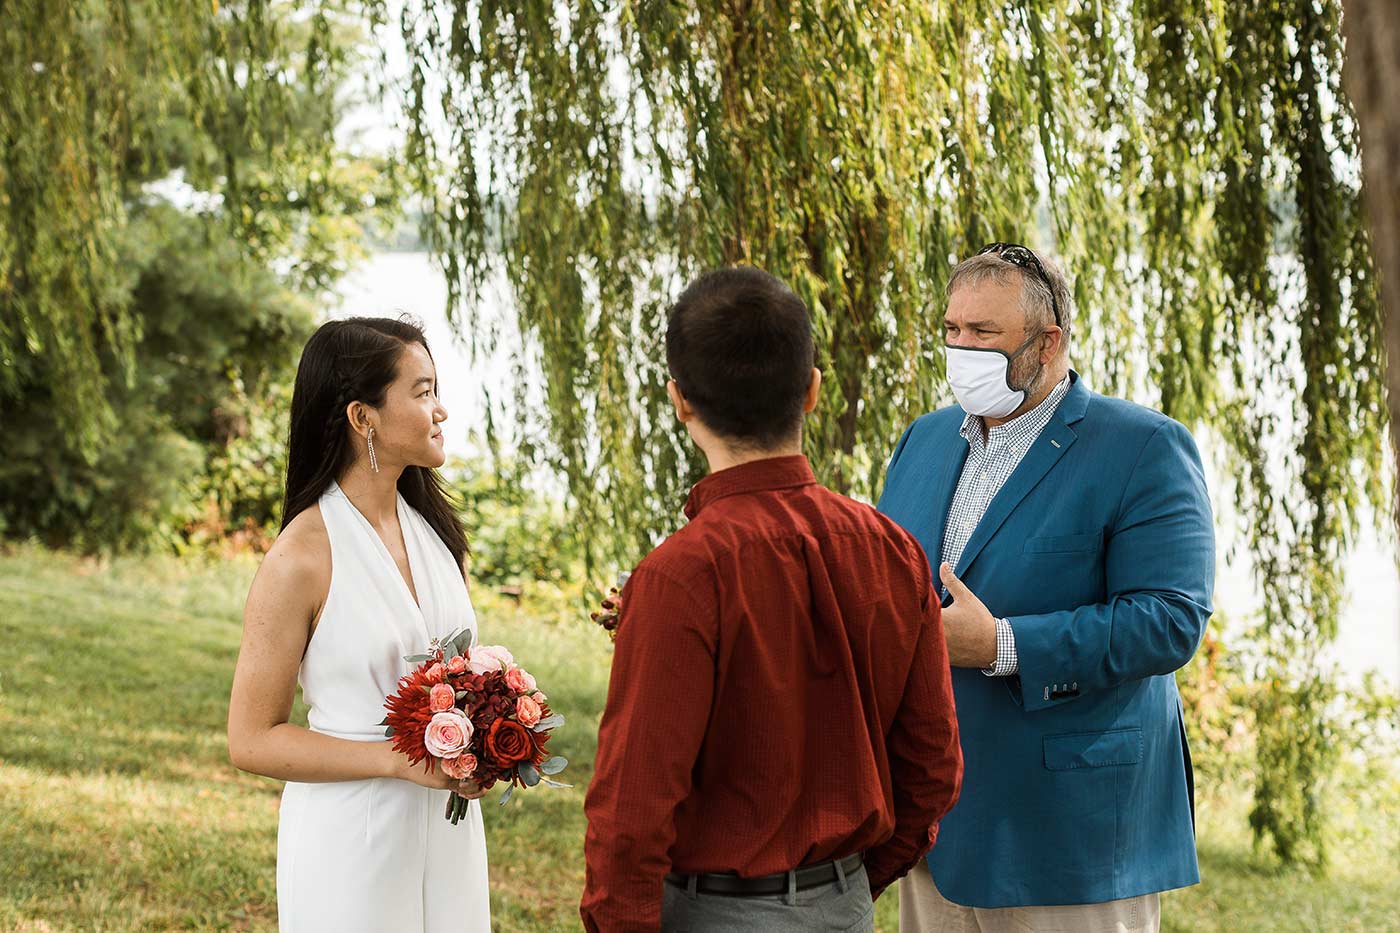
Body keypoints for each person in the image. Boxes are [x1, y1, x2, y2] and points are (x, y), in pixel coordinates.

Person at [581, 266, 964, 932]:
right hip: (841, 905)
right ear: (813, 389)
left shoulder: (682, 574)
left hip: (715, 912)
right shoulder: (894, 551)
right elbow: (932, 769)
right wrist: (842, 886)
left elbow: (630, 814)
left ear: (680, 402)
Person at [878, 244, 1215, 932]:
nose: (960, 348)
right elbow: (879, 587)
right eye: (951, 330)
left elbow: (1169, 620)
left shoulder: (1143, 447)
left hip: (1071, 842)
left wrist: (1004, 643)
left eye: (983, 334)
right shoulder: (925, 439)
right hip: (934, 828)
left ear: (1048, 341)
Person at [227, 317, 491, 932]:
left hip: (448, 835)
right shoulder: (301, 558)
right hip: (351, 842)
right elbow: (251, 739)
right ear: (362, 417)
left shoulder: (437, 535)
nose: (441, 409)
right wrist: (396, 763)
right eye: (422, 392)